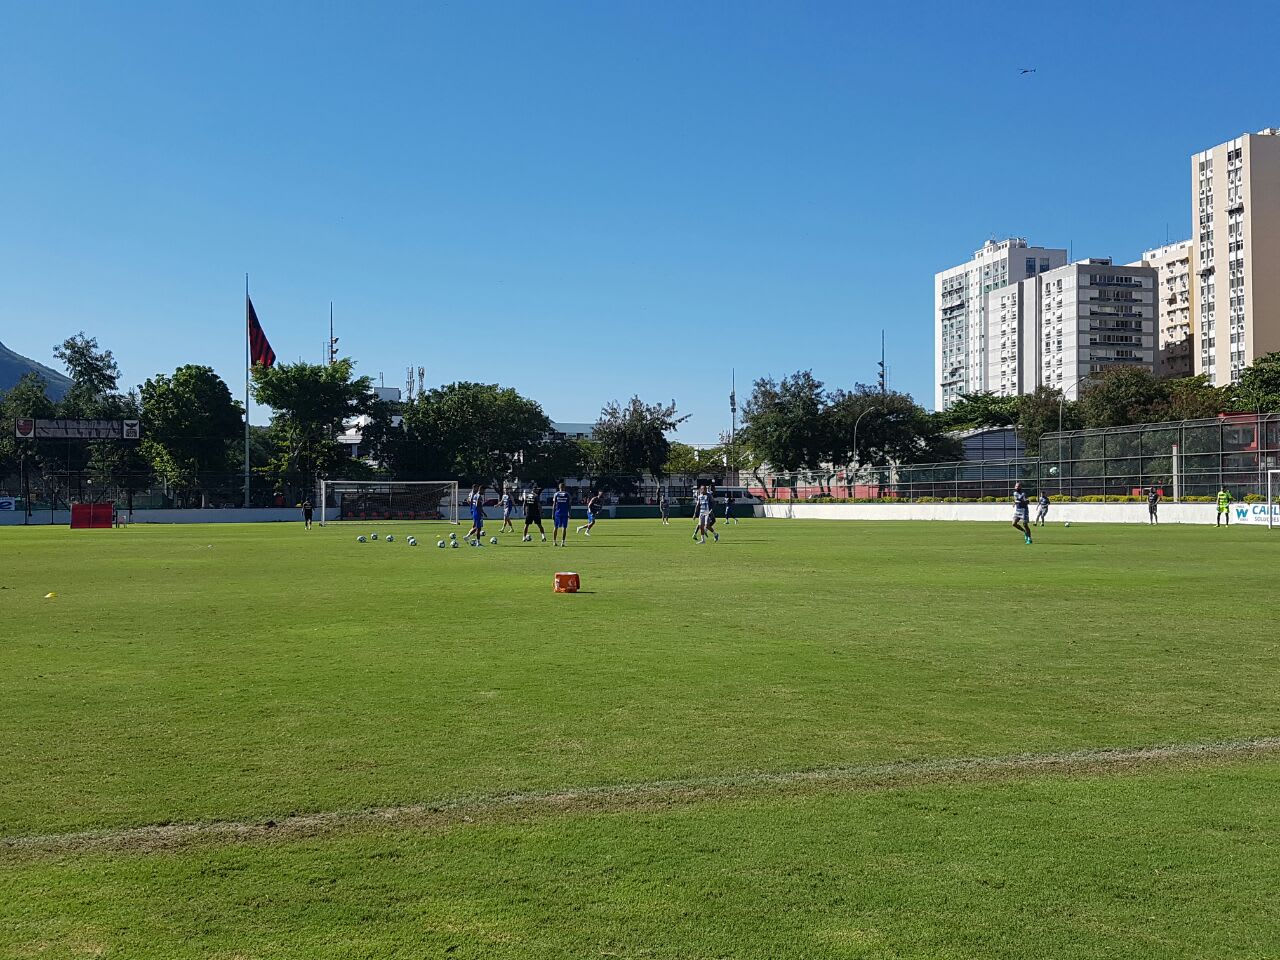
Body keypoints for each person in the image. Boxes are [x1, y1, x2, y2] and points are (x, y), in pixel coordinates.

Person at [551, 481, 571, 546]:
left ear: (559, 487)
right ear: (564, 487)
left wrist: (552, 513)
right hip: (565, 513)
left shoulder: (556, 494)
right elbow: (569, 505)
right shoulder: (567, 494)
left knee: (555, 527)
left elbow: (554, 505)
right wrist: (569, 513)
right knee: (564, 527)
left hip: (557, 513)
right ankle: (563, 542)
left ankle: (554, 542)